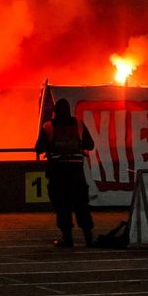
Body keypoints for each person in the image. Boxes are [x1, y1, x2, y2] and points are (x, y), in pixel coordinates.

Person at [35, 98, 96, 248]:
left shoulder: (48, 127)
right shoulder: (78, 125)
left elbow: (38, 148)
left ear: (55, 111)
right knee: (82, 206)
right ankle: (89, 239)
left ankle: (68, 240)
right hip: (76, 174)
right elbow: (90, 145)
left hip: (58, 174)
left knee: (63, 207)